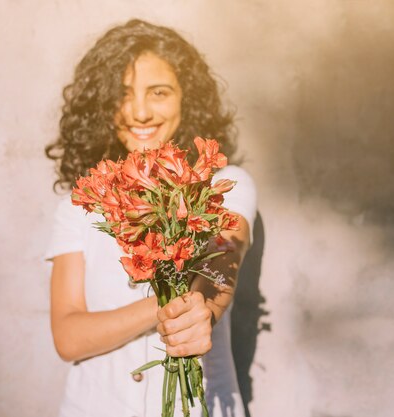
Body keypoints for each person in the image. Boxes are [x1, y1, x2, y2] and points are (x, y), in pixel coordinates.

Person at [44, 19, 257, 417]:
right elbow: (68, 338)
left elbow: (225, 253)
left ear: (186, 99)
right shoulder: (80, 205)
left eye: (159, 93)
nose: (139, 112)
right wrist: (169, 302)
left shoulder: (226, 182)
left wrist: (205, 309)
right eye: (122, 95)